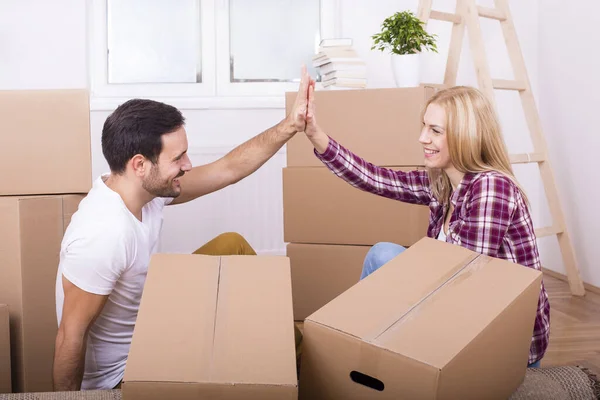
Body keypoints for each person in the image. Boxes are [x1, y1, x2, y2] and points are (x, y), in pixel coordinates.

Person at [52, 67, 311, 391]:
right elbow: (69, 336)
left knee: (232, 245)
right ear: (139, 164)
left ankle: (302, 367)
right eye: (179, 158)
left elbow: (227, 169)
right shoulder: (104, 234)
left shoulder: (144, 191)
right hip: (125, 374)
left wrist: (290, 125)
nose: (187, 165)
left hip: (151, 318)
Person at [302, 81, 549, 368]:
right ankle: (354, 350)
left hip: (501, 339)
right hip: (458, 310)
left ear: (465, 135)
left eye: (435, 131)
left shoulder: (492, 187)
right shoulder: (444, 183)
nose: (422, 138)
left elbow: (464, 284)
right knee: (382, 254)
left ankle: (359, 353)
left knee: (394, 271)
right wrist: (316, 135)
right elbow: (376, 179)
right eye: (424, 126)